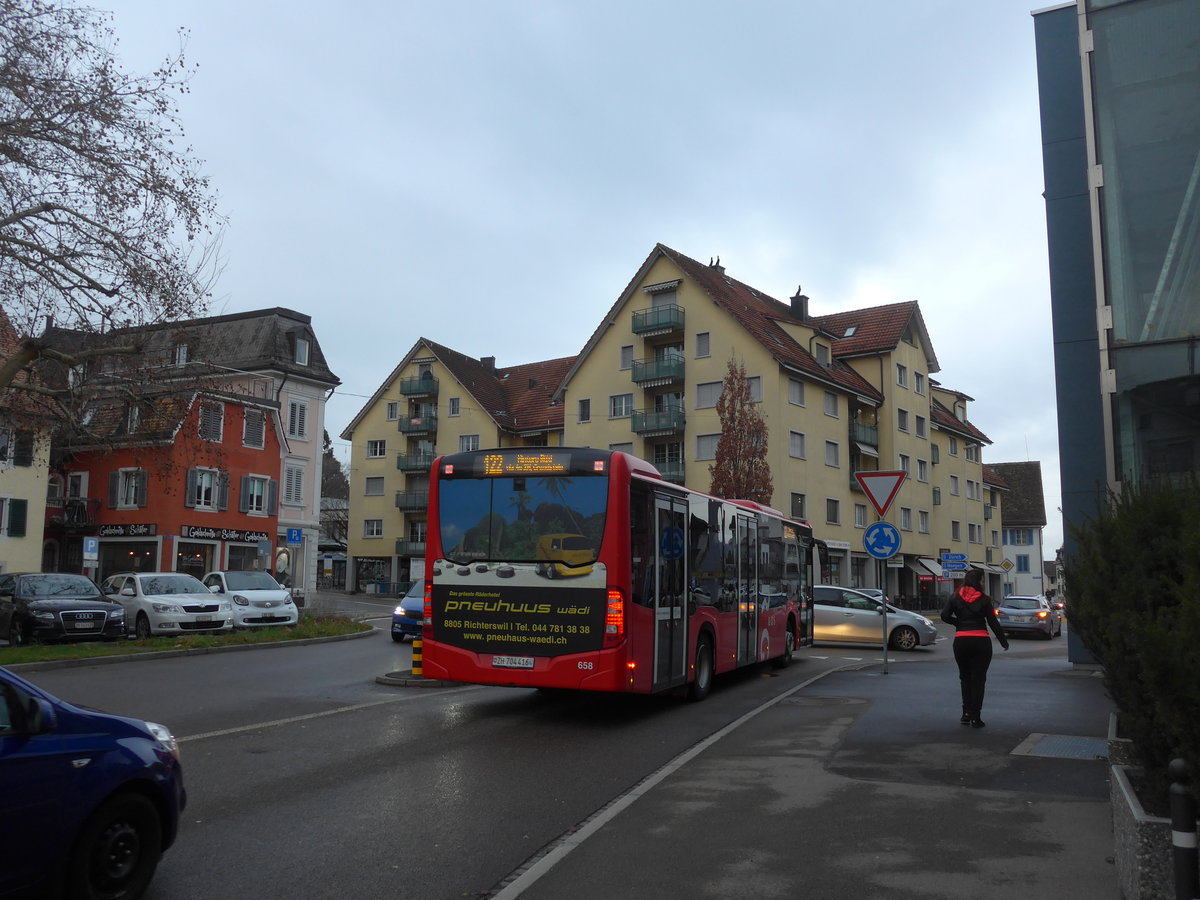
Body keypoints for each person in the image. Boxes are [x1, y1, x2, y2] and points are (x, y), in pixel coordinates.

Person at [940, 568, 1009, 728]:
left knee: (965, 678)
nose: (983, 583)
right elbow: (993, 622)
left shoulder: (955, 596)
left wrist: (958, 623)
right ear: (978, 581)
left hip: (961, 641)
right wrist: (1003, 641)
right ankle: (976, 718)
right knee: (978, 680)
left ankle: (965, 713)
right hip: (981, 642)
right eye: (982, 580)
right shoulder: (985, 599)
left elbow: (944, 616)